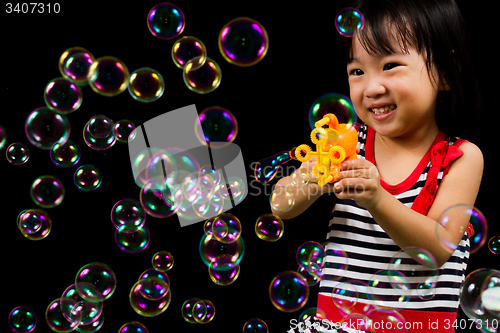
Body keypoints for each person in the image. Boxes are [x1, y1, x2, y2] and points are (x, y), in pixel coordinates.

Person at [271, 0, 483, 332]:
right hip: (337, 324)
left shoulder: (461, 157)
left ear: (445, 72)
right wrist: (313, 176)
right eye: (357, 71)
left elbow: (437, 248)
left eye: (391, 65)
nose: (371, 88)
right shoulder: (344, 144)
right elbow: (280, 205)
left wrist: (377, 199)